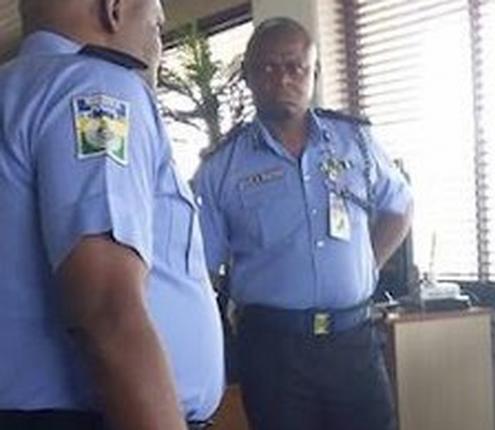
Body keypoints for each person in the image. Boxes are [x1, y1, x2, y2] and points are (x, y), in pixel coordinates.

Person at [0, 1, 224, 429]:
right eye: (157, 25)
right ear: (114, 10)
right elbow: (106, 310)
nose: (157, 41)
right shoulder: (95, 88)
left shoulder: (12, 90)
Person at [193, 17, 413, 430]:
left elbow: (399, 207)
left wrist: (370, 261)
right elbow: (201, 268)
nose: (283, 78)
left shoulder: (355, 142)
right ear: (248, 76)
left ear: (314, 72)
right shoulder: (221, 168)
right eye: (268, 67)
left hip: (354, 343)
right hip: (275, 353)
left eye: (295, 66)